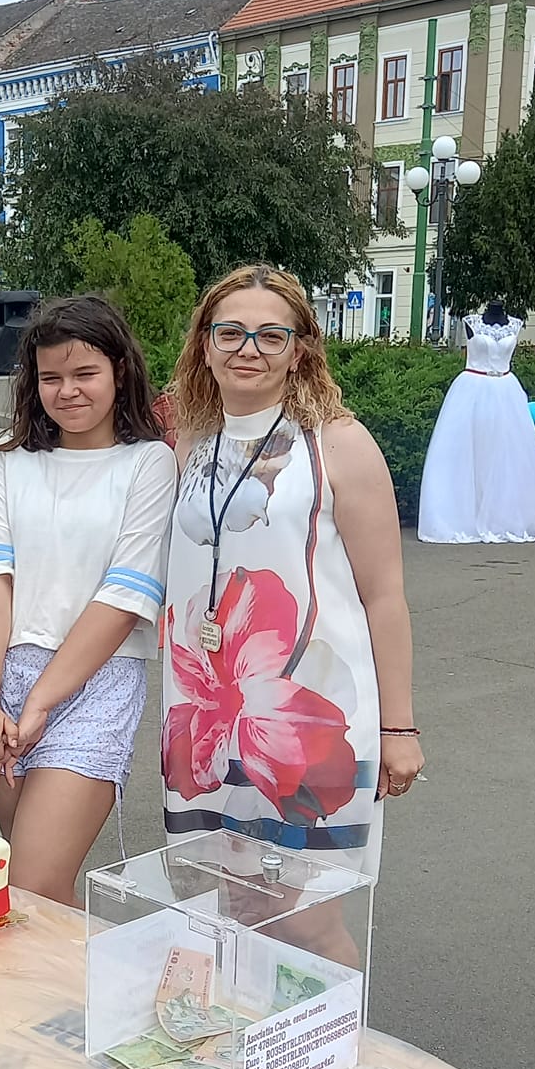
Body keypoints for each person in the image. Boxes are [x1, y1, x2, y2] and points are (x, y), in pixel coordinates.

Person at [162, 264, 422, 893]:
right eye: (230, 333)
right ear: (204, 344)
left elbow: (384, 596)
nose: (247, 350)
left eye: (270, 336)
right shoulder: (191, 442)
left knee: (312, 918)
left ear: (299, 351)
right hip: (203, 716)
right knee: (227, 904)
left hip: (311, 720)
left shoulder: (339, 444)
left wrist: (399, 727)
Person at [0, 295, 177, 905]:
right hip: (6, 677)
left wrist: (42, 701)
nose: (68, 391)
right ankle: (68, 975)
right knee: (37, 894)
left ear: (119, 371)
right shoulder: (7, 460)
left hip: (95, 682)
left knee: (29, 882)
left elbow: (125, 597)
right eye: (51, 377)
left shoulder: (149, 463)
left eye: (85, 373)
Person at [417, 303, 535, 543]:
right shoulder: (471, 322)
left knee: (508, 454)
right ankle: (463, 515)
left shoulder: (515, 324)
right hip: (472, 388)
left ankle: (506, 515)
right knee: (469, 452)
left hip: (507, 390)